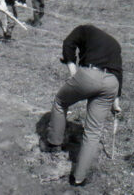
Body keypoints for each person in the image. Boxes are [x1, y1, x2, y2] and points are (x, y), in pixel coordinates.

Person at [40, 24, 123, 186]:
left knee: (60, 102)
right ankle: (78, 178)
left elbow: (68, 44)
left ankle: (54, 143)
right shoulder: (115, 44)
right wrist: (116, 104)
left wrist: (73, 73)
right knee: (93, 131)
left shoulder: (84, 29)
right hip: (111, 83)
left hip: (90, 75)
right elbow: (119, 73)